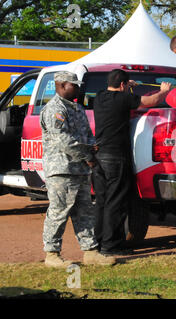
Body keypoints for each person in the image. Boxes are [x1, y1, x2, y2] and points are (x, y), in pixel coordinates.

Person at [40, 71, 116, 267]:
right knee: (59, 212)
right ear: (62, 85)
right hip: (61, 169)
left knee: (85, 212)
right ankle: (52, 254)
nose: (78, 88)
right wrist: (88, 155)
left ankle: (90, 252)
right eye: (74, 84)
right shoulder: (54, 110)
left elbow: (88, 135)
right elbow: (63, 141)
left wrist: (92, 148)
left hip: (79, 169)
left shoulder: (77, 108)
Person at [92, 69, 172, 256]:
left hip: (99, 157)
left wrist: (127, 87)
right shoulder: (123, 99)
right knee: (116, 202)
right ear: (122, 85)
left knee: (102, 202)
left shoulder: (99, 96)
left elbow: (120, 97)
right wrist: (164, 90)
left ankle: (97, 243)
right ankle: (111, 247)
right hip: (116, 157)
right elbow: (152, 101)